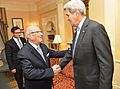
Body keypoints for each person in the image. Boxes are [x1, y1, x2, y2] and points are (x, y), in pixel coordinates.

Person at [58, 0, 114, 89]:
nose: (67, 18)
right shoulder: (77, 31)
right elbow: (73, 51)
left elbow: (106, 63)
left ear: (76, 13)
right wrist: (60, 65)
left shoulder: (95, 28)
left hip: (93, 84)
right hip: (81, 82)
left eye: (68, 15)